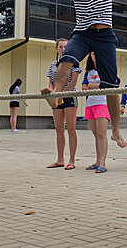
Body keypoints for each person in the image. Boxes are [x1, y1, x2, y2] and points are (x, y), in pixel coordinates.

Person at [21, 0, 127, 150]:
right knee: (67, 58)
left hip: (104, 35)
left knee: (111, 84)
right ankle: (55, 93)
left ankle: (115, 130)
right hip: (82, 33)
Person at [46, 38, 81, 170]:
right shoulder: (52, 65)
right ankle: (60, 159)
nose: (63, 49)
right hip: (56, 98)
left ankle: (71, 159)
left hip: (69, 97)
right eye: (60, 47)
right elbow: (51, 82)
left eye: (65, 47)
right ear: (56, 49)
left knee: (71, 128)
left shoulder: (75, 63)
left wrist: (61, 94)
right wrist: (54, 94)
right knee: (59, 129)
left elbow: (73, 81)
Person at [82, 52, 110, 173]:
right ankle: (97, 161)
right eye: (93, 54)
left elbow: (106, 85)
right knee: (96, 135)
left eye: (96, 54)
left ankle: (103, 163)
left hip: (102, 103)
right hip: (90, 104)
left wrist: (92, 86)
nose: (95, 56)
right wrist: (95, 86)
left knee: (102, 134)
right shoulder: (88, 71)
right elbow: (84, 87)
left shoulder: (106, 69)